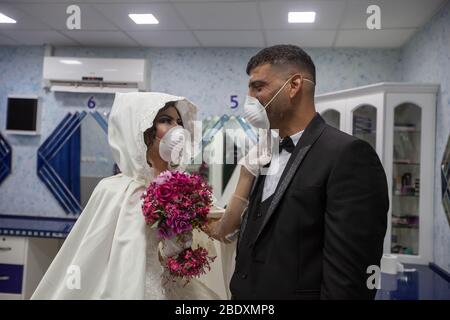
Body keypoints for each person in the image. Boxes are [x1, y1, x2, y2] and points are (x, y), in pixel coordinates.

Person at [207, 44, 389, 300]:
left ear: (293, 86)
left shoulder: (348, 155)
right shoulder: (265, 152)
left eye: (258, 87)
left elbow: (350, 280)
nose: (249, 99)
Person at [31, 92, 219, 300]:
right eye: (166, 120)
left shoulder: (185, 187)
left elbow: (188, 244)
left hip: (173, 285)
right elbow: (98, 255)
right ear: (144, 130)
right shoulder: (115, 190)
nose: (177, 128)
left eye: (179, 121)